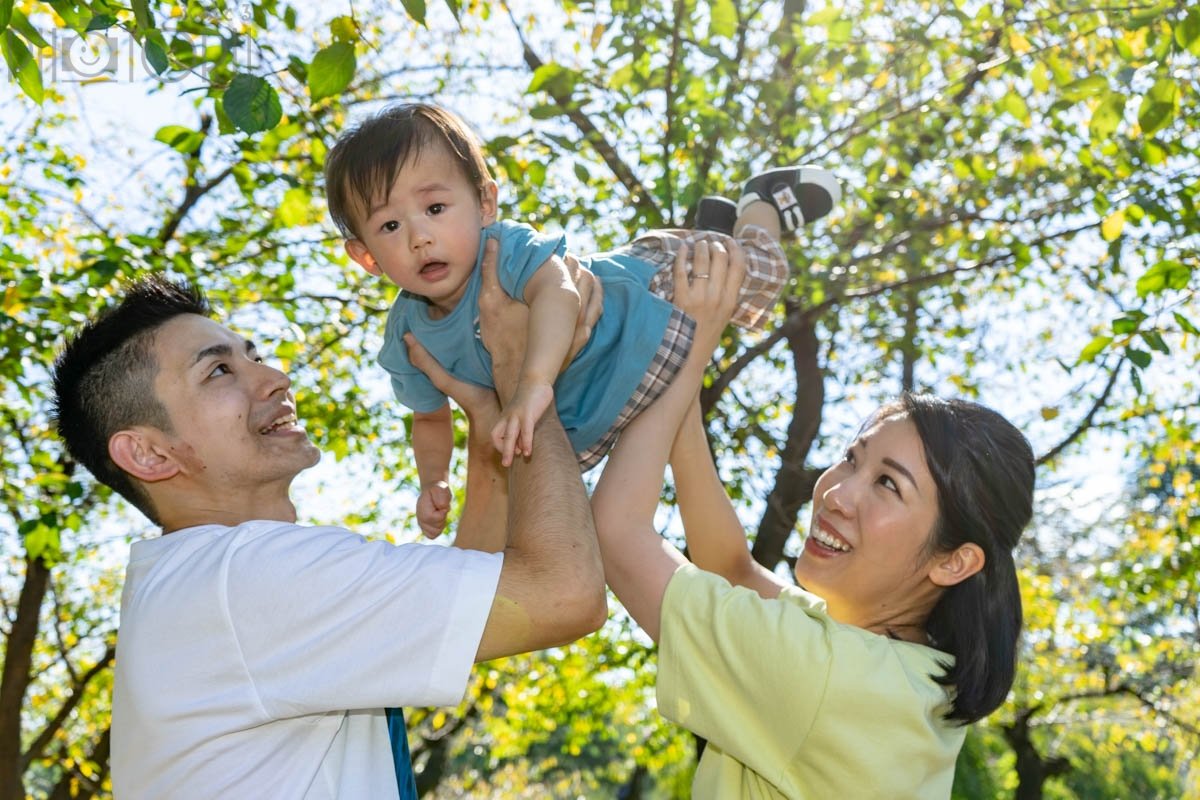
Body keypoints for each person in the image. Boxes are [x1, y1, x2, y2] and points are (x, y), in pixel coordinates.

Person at [49, 245, 608, 799]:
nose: (275, 377)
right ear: (148, 454)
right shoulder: (246, 577)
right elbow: (562, 596)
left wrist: (489, 418)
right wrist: (524, 377)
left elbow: (481, 593)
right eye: (219, 370)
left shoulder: (198, 587)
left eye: (254, 355)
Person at [583, 253, 1033, 795]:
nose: (837, 494)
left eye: (888, 484)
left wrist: (683, 340)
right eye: (851, 459)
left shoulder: (827, 674)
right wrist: (689, 362)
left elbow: (616, 534)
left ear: (954, 561)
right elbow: (732, 569)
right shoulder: (902, 676)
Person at [322, 101, 841, 537]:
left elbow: (559, 291)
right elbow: (429, 416)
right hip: (600, 402)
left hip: (641, 307)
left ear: (484, 204)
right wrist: (433, 479)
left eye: (435, 208)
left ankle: (759, 207)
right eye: (390, 225)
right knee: (552, 517)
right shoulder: (406, 336)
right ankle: (714, 231)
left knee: (758, 274)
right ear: (366, 256)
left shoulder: (504, 249)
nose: (419, 237)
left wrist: (533, 382)